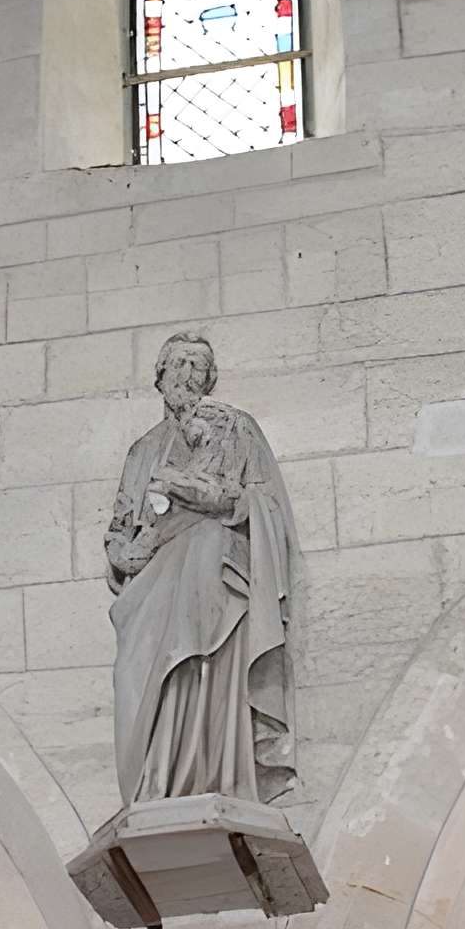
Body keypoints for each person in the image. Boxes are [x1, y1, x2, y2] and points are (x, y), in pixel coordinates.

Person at [103, 330, 297, 810]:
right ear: (161, 376)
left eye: (198, 367)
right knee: (142, 671)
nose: (187, 375)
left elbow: (267, 502)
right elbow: (120, 525)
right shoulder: (143, 450)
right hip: (153, 582)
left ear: (210, 379)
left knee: (204, 658)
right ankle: (157, 778)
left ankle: (215, 775)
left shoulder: (237, 428)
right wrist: (121, 552)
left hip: (213, 572)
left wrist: (214, 499)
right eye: (179, 364)